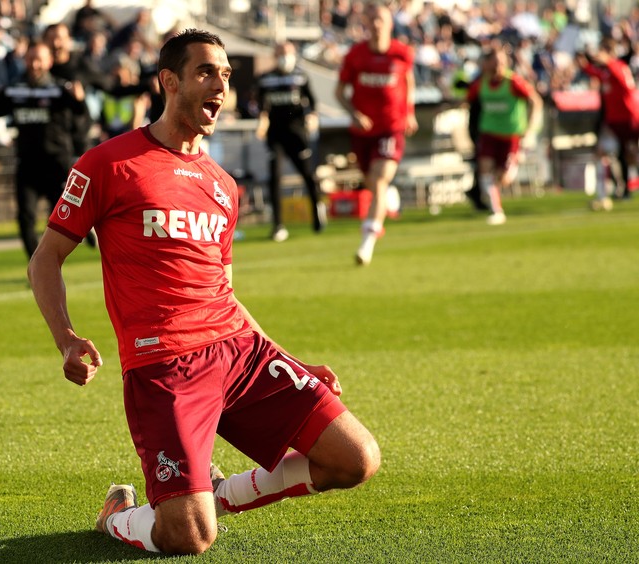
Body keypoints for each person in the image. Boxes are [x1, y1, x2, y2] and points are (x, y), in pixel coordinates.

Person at [27, 29, 380, 556]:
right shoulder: (106, 163)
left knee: (356, 459)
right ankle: (119, 518)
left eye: (227, 76)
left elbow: (225, 292)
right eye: (206, 72)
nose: (220, 85)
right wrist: (67, 339)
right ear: (168, 81)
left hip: (240, 352)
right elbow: (45, 259)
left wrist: (290, 360)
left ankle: (219, 492)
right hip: (165, 366)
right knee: (189, 537)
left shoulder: (223, 184)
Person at [0, 41, 87, 259]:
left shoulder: (60, 89)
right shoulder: (14, 90)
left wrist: (80, 101)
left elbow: (80, 117)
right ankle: (37, 266)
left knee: (61, 218)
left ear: (49, 61)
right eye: (30, 59)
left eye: (39, 59)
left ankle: (87, 232)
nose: (34, 64)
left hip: (56, 162)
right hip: (28, 164)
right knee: (25, 217)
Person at [335, 4, 417, 266]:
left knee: (379, 180)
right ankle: (387, 203)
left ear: (390, 22)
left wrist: (410, 112)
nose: (376, 24)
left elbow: (408, 82)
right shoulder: (356, 55)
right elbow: (339, 92)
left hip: (391, 127)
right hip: (363, 130)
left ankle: (367, 240)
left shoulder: (402, 53)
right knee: (372, 181)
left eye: (380, 19)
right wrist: (354, 112)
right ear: (365, 23)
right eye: (371, 19)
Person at [256, 40, 326, 242]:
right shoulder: (265, 78)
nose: (285, 57)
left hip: (297, 134)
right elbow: (260, 105)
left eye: (288, 52)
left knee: (308, 174)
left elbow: (312, 102)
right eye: (281, 53)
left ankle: (317, 214)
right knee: (275, 177)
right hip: (275, 135)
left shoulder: (300, 75)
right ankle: (278, 225)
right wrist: (261, 120)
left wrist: (312, 116)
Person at [465, 45, 541, 225]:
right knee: (484, 169)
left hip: (511, 135)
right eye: (494, 62)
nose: (498, 66)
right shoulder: (481, 83)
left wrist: (530, 130)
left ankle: (513, 163)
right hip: (489, 133)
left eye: (501, 62)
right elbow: (467, 99)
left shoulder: (513, 82)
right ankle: (496, 210)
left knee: (504, 178)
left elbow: (535, 102)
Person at [577, 38, 639, 208]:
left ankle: (622, 190)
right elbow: (597, 74)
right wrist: (585, 65)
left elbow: (627, 88)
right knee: (604, 153)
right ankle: (603, 196)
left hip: (629, 120)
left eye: (602, 52)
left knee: (630, 156)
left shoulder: (619, 67)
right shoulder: (606, 72)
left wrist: (609, 62)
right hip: (613, 123)